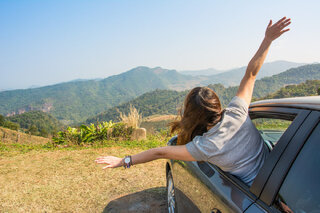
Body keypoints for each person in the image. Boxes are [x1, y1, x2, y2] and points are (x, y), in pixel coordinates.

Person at [95, 17, 291, 186]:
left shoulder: (205, 147)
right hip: (281, 181)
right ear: (218, 105)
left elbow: (159, 153)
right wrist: (268, 39)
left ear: (191, 115)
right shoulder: (237, 113)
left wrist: (123, 161)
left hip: (258, 192)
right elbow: (251, 74)